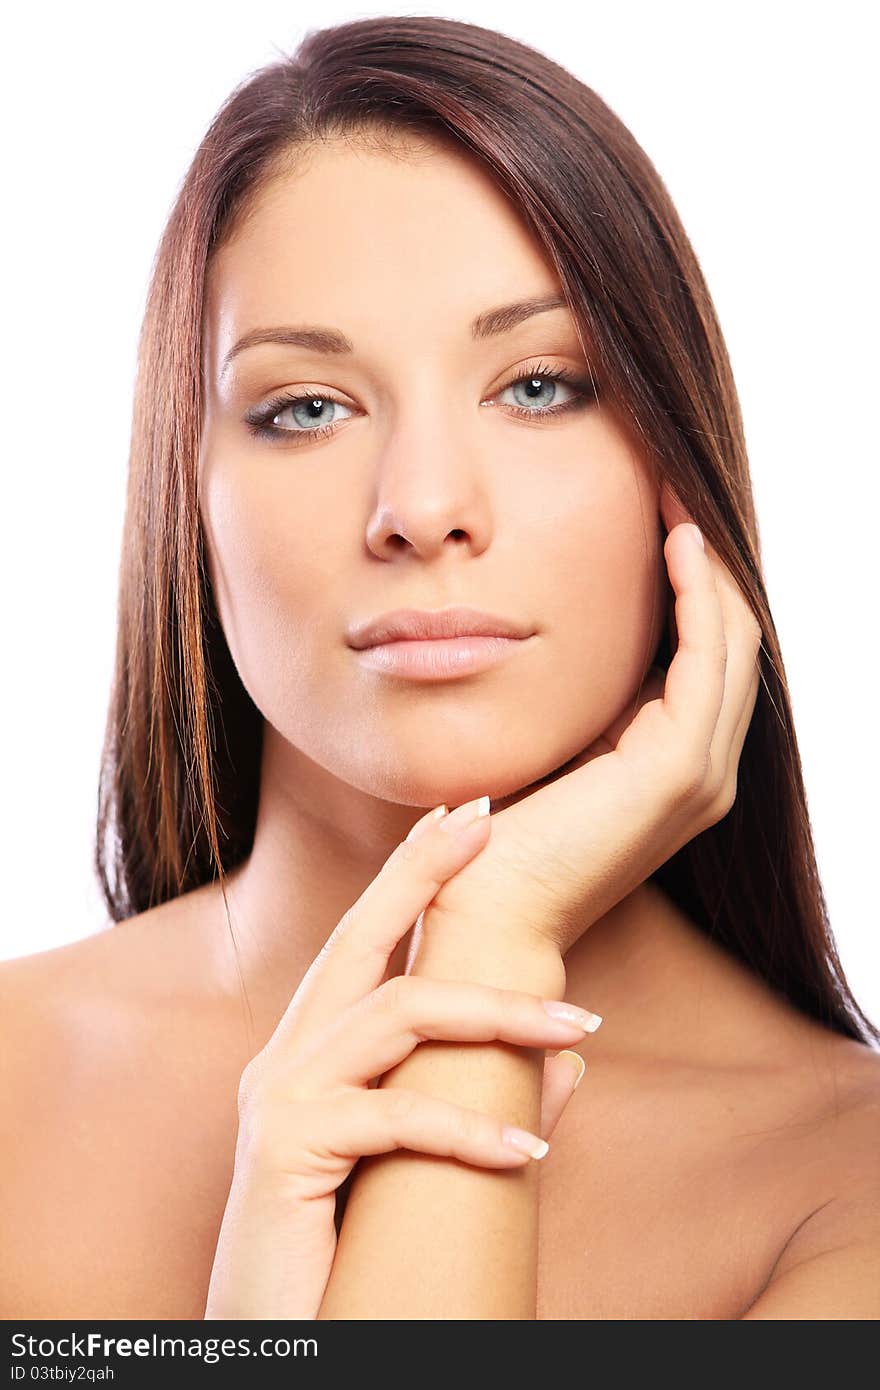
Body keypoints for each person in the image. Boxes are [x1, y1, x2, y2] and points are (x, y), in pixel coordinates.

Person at [2, 15, 878, 1321]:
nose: (421, 505)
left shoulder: (841, 1178)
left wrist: (487, 941)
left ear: (678, 473)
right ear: (189, 501)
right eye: (306, 405)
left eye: (539, 385)